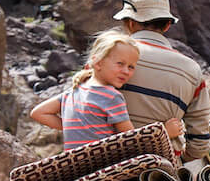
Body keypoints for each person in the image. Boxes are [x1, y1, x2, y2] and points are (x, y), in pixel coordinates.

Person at [29, 29, 181, 148]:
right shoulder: (111, 96)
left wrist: (79, 128)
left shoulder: (74, 91)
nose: (126, 71)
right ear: (98, 62)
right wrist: (165, 132)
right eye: (120, 64)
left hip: (74, 167)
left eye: (131, 67)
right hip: (100, 166)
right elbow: (133, 141)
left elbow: (38, 113)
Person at [113, 0, 210, 163]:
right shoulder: (192, 70)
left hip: (108, 161)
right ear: (167, 25)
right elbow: (199, 144)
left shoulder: (108, 56)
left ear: (129, 22)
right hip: (163, 168)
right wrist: (181, 159)